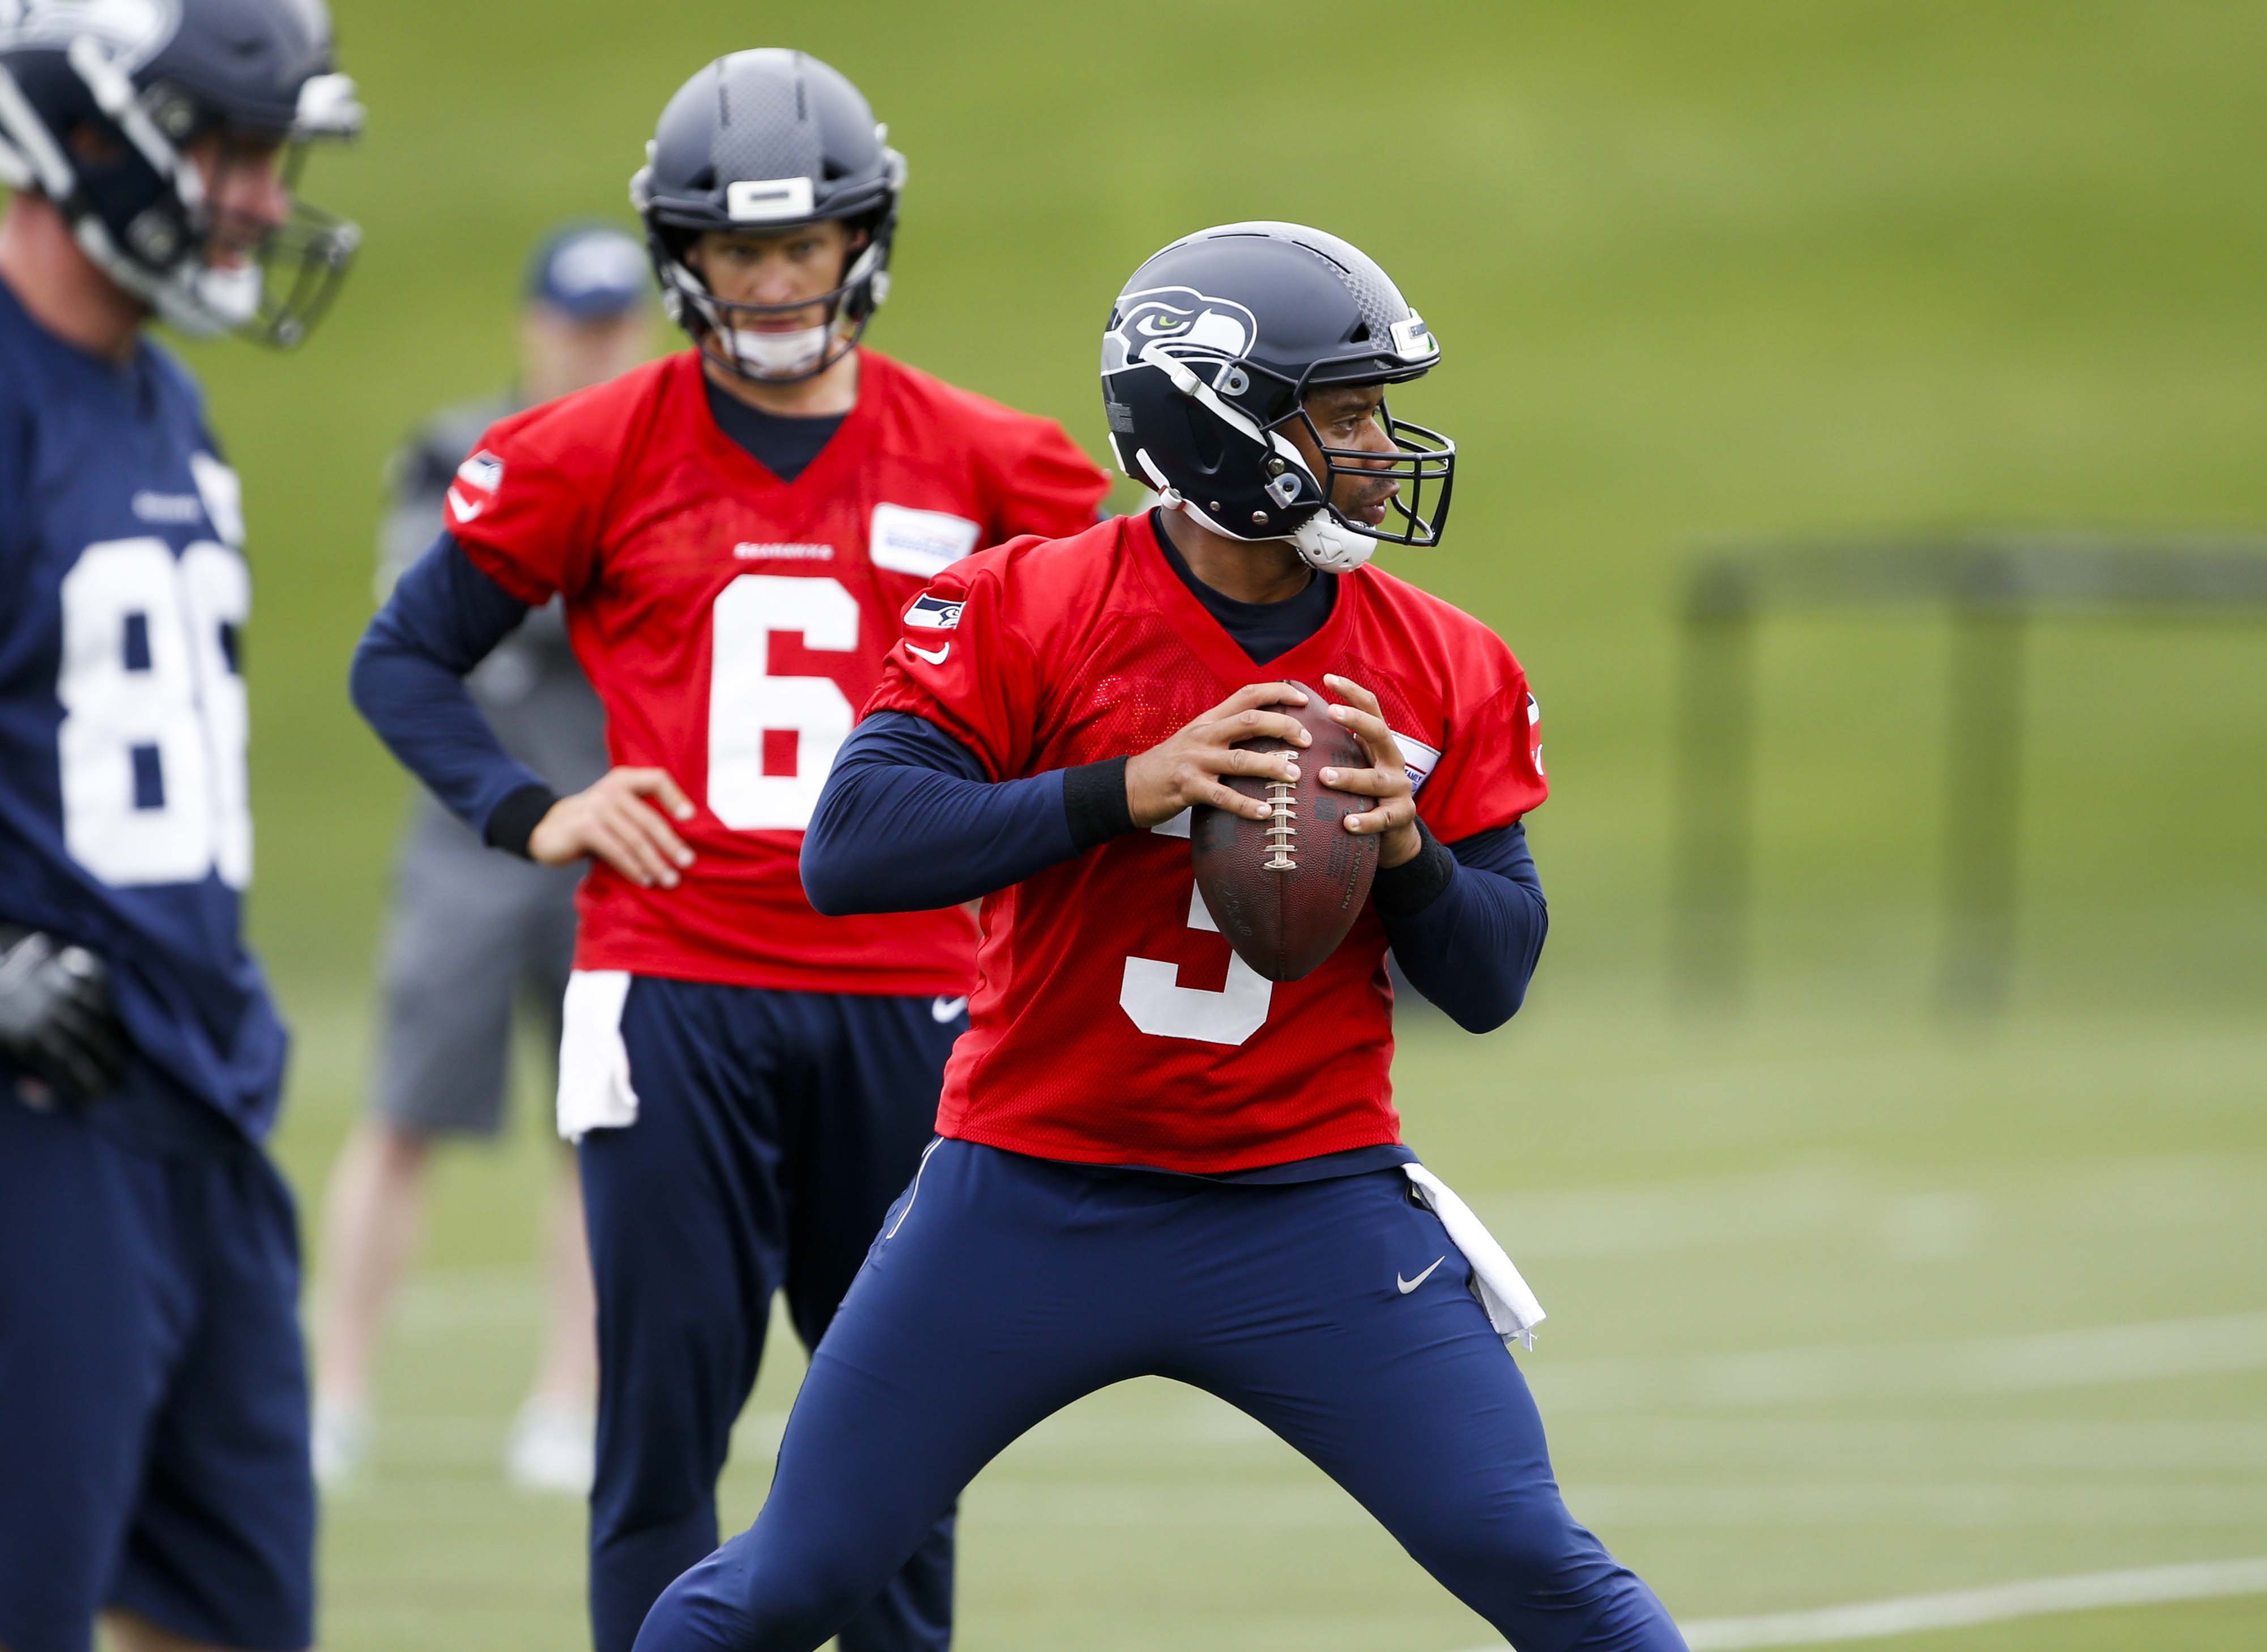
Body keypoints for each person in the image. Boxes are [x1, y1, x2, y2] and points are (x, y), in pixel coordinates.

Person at [634, 223, 1690, 1652]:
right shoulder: (1024, 605)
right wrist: (1125, 789)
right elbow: (853, 847)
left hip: (1307, 1202)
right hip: (1028, 1191)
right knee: (792, 1581)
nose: (1380, 450)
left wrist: (1410, 858)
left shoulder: (1443, 658)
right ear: (1217, 422)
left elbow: (1494, 978)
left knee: (1534, 1557)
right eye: (1343, 414)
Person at [346, 48, 1110, 1652]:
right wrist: (535, 808)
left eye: (801, 243)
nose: (771, 280)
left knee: (901, 1436)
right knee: (660, 1433)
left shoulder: (995, 458)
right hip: (673, 986)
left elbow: (1114, 663)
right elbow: (403, 656)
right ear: (683, 256)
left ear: (860, 240)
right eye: (738, 249)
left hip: (912, 993)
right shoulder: (589, 445)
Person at [0, 4, 363, 1651]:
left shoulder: (163, 402)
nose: (265, 203)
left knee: (236, 1610)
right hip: (43, 1107)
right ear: (83, 131)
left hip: (199, 1095)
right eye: (230, 150)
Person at [309, 223, 653, 1496]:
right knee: (403, 1114)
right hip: (466, 841)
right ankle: (336, 1395)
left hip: (606, 839)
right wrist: (588, 556)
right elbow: (435, 604)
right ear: (533, 326)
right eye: (575, 324)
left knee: (594, 1128)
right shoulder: (458, 450)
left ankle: (569, 1400)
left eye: (614, 327)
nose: (593, 349)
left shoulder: (660, 465)